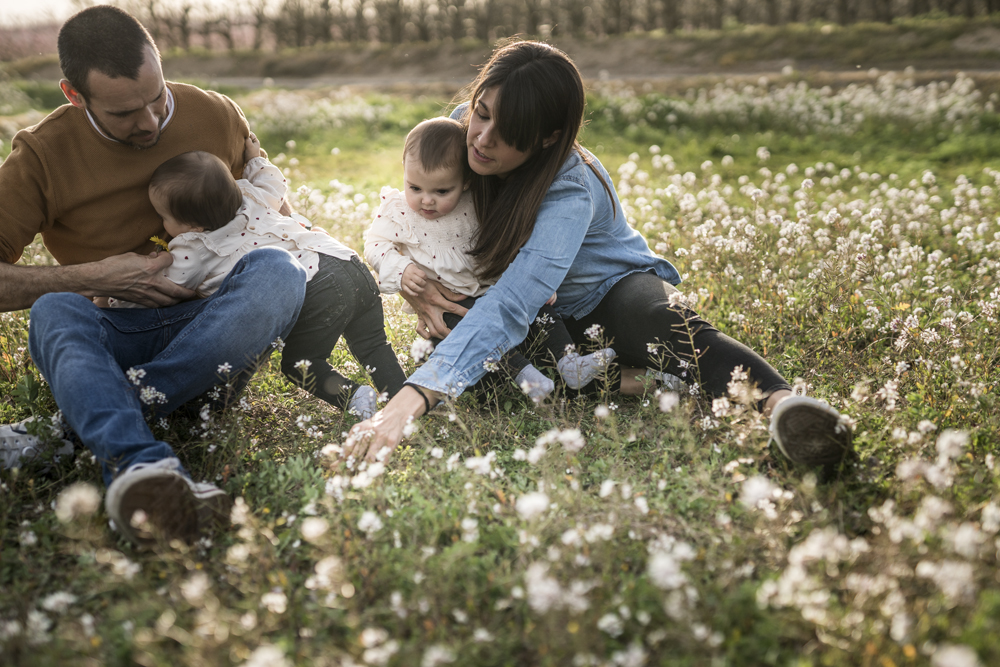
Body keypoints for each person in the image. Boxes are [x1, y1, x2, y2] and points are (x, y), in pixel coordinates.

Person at [342, 41, 854, 475]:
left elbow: (513, 302)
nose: (481, 136)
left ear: (546, 139)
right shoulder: (459, 134)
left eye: (507, 131)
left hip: (605, 293)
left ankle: (789, 411)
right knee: (493, 386)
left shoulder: (570, 190)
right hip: (534, 310)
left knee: (659, 320)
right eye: (481, 111)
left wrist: (407, 404)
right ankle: (629, 380)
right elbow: (422, 219)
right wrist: (412, 279)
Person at [0, 6, 307, 546]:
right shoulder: (41, 158)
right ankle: (146, 470)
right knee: (54, 308)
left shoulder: (214, 113)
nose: (149, 121)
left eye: (156, 96)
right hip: (119, 330)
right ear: (75, 95)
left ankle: (89, 424)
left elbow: (269, 209)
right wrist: (98, 275)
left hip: (218, 327)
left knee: (280, 270)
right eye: (124, 113)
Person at [111, 139, 406, 416]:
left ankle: (355, 399)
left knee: (300, 365)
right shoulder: (251, 195)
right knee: (373, 344)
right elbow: (273, 182)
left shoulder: (194, 248)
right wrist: (254, 158)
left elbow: (166, 287)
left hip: (318, 286)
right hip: (345, 260)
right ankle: (403, 399)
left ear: (192, 226)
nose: (163, 223)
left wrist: (115, 301)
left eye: (164, 218)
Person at [363, 117, 615, 400]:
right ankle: (526, 377)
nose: (427, 200)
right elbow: (374, 246)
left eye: (442, 191)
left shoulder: (474, 204)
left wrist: (537, 279)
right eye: (415, 187)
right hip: (453, 299)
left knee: (541, 309)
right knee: (462, 324)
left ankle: (570, 363)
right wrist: (400, 268)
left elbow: (504, 243)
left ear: (466, 181)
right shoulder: (397, 211)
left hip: (495, 288)